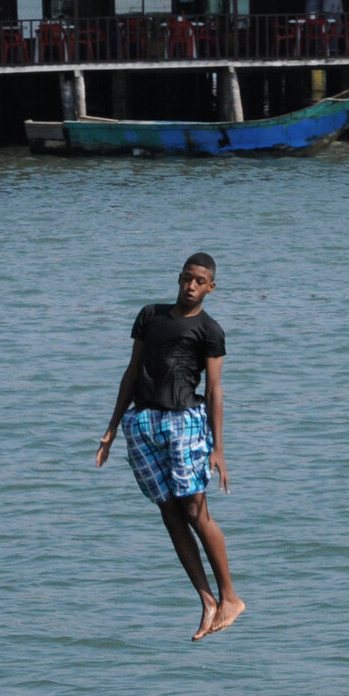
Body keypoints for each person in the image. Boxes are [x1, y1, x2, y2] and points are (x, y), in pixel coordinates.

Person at [95, 252, 245, 642]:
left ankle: (230, 596)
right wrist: (112, 428)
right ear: (179, 278)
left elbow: (214, 390)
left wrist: (218, 448)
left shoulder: (210, 331)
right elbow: (132, 372)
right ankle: (206, 600)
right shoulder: (150, 316)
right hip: (143, 422)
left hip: (185, 421)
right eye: (186, 279)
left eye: (199, 282)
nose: (190, 286)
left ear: (211, 287)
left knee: (195, 510)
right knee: (169, 512)